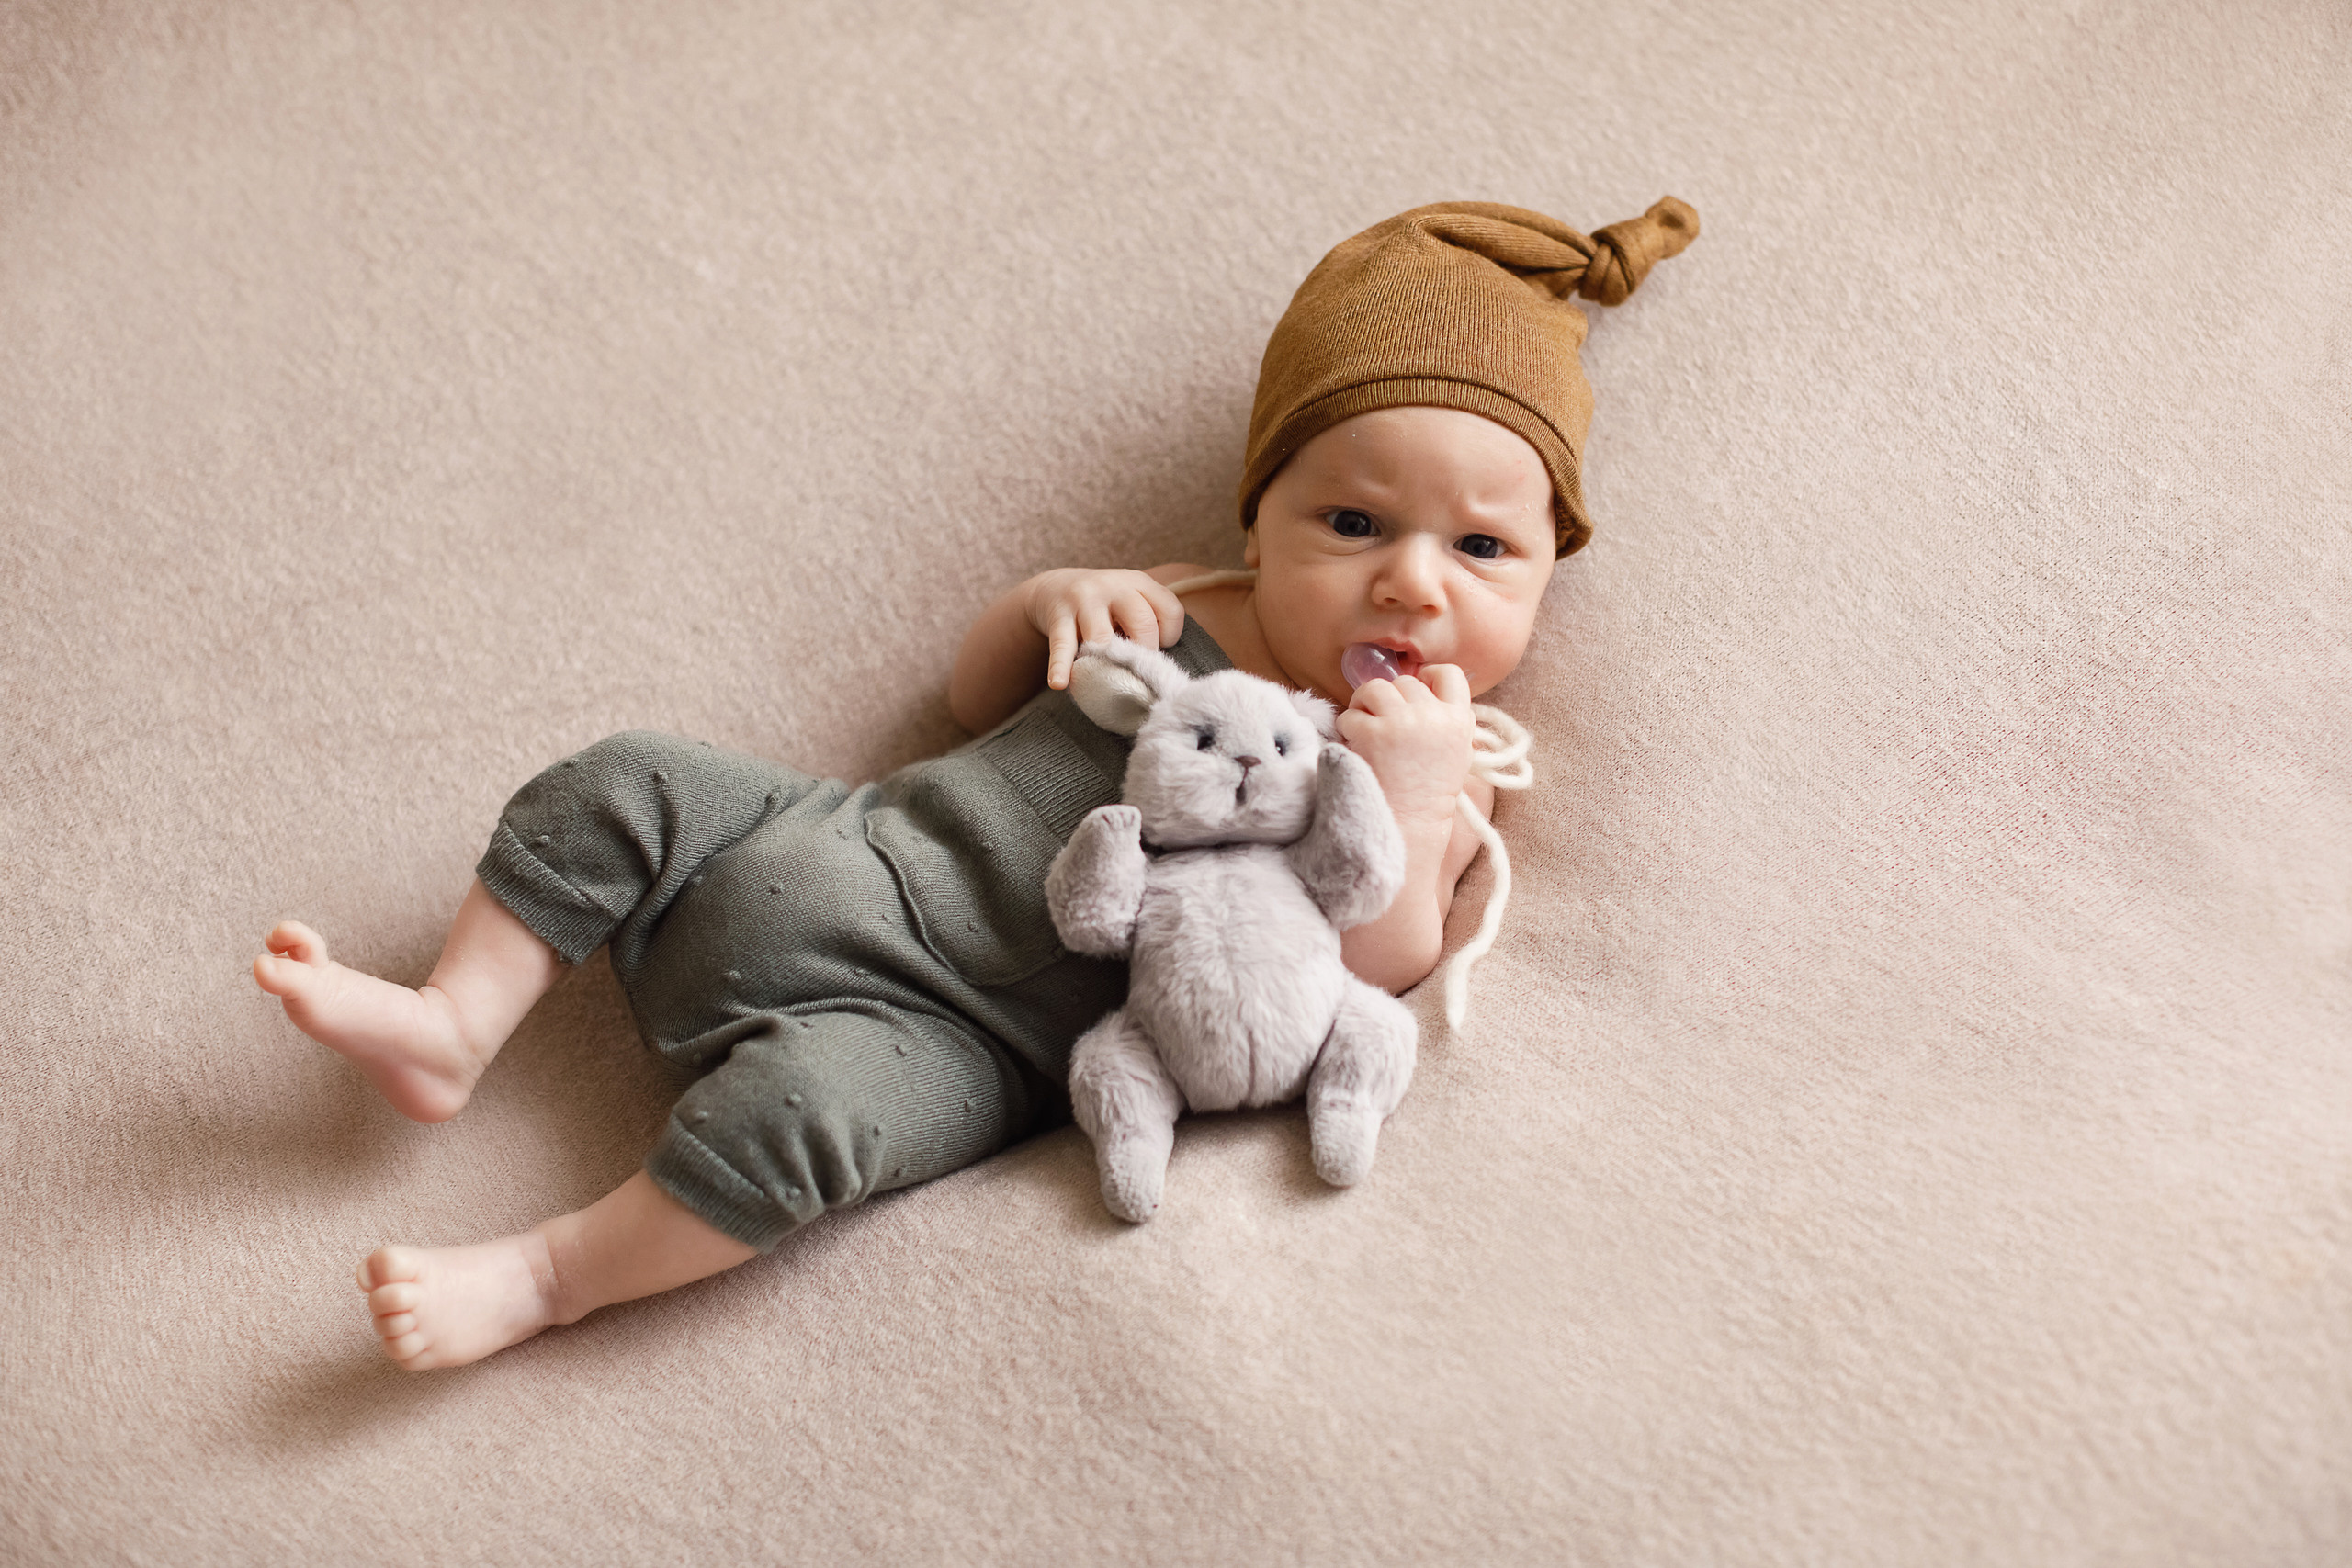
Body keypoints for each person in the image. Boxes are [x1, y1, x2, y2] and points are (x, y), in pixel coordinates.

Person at [252, 198, 1697, 1370]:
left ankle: (553, 1276)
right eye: (1354, 521)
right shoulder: (1180, 601)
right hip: (841, 839)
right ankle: (456, 1020)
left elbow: (1372, 965)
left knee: (809, 1128)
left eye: (1484, 551)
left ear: (1545, 580)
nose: (1411, 582)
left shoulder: (1434, 763)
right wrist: (1049, 604)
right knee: (628, 778)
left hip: (956, 1036)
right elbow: (972, 699)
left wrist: (1417, 797)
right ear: (1260, 520)